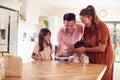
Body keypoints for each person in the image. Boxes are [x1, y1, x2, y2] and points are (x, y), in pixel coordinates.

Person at [77, 5, 114, 80]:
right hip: (92, 58)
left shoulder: (101, 26)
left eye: (84, 21)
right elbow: (85, 41)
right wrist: (78, 47)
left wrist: (85, 49)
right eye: (81, 21)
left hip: (104, 58)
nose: (83, 23)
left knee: (102, 77)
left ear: (91, 17)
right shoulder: (86, 27)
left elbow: (101, 48)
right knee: (92, 77)